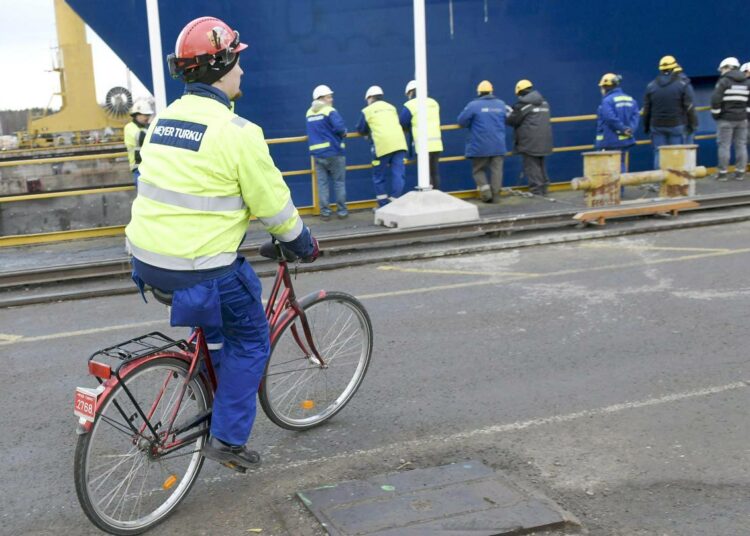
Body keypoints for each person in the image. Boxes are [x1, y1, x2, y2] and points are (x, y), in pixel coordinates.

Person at [125, 16, 319, 470]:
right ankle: (228, 440)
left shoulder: (163, 122)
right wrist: (303, 243)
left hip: (145, 260)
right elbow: (275, 207)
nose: (243, 72)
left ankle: (210, 379)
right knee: (252, 340)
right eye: (239, 62)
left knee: (219, 326)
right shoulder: (237, 133)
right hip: (200, 267)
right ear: (223, 65)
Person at [356, 86, 408, 207]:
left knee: (378, 176)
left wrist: (368, 134)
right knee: (398, 174)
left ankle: (384, 205)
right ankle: (395, 201)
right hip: (399, 144)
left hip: (382, 146)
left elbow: (360, 128)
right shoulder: (391, 107)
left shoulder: (367, 110)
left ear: (369, 98)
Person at [642, 55, 698, 169]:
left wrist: (646, 127)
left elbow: (647, 109)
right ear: (674, 68)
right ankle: (676, 182)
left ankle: (659, 182)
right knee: (676, 154)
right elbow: (689, 107)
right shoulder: (683, 85)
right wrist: (693, 125)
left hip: (656, 126)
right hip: (677, 125)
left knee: (659, 153)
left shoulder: (651, 86)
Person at [457, 80, 507, 202]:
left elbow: (461, 121)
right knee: (497, 171)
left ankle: (486, 193)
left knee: (478, 170)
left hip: (480, 145)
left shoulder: (473, 105)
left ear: (479, 92)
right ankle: (496, 195)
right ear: (491, 91)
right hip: (498, 145)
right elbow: (509, 117)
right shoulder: (501, 104)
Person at [306, 84, 348, 220]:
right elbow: (340, 128)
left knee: (322, 184)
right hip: (334, 152)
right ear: (321, 98)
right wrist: (344, 133)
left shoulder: (309, 113)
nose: (331, 99)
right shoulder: (329, 111)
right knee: (339, 182)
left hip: (317, 155)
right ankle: (342, 211)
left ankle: (325, 212)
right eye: (329, 97)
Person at [506, 79, 553, 196]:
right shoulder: (545, 103)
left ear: (519, 92)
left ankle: (537, 191)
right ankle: (544, 188)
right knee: (541, 164)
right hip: (545, 139)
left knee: (532, 166)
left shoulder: (523, 105)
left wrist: (508, 113)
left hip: (530, 141)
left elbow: (512, 121)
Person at [399, 80, 443, 189]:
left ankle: (429, 199)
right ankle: (437, 196)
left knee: (425, 175)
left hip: (422, 145)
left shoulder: (410, 105)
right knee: (434, 172)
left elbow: (402, 122)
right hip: (436, 144)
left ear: (411, 92)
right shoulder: (434, 103)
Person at [711, 57, 749, 181]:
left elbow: (715, 100)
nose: (721, 71)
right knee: (741, 145)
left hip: (726, 119)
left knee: (724, 146)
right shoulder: (746, 82)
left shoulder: (724, 82)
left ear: (728, 67)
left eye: (722, 69)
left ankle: (722, 173)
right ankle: (740, 172)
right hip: (742, 119)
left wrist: (716, 114)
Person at [595, 73, 639, 172]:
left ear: (605, 87)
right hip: (624, 141)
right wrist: (630, 129)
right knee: (621, 164)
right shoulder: (630, 99)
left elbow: (610, 118)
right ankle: (621, 187)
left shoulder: (607, 101)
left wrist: (622, 129)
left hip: (609, 140)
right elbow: (635, 116)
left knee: (608, 168)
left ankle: (613, 187)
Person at [124, 100, 154, 184]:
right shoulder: (129, 127)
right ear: (137, 115)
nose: (147, 117)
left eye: (148, 115)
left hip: (150, 168)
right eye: (145, 115)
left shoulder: (147, 127)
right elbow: (141, 138)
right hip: (138, 168)